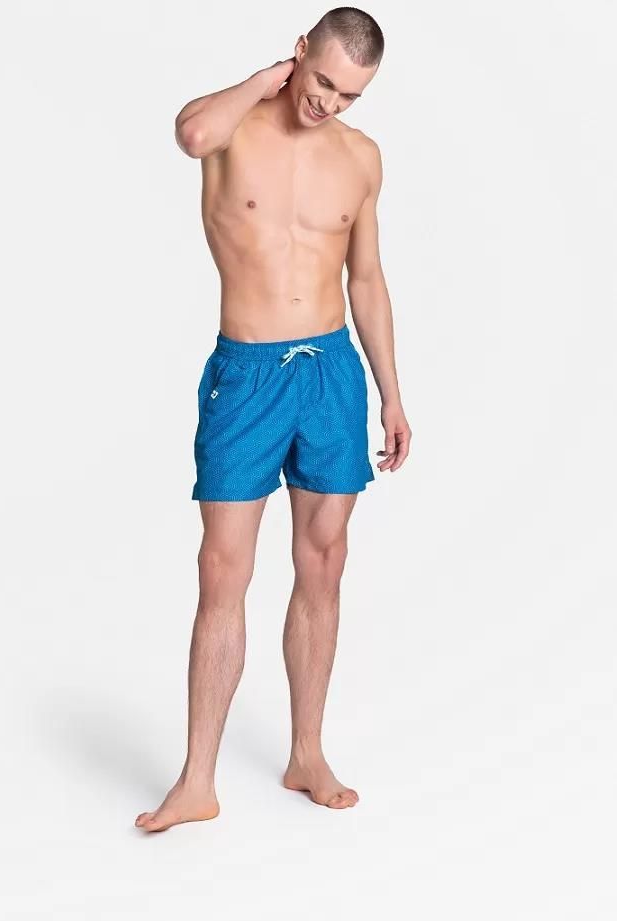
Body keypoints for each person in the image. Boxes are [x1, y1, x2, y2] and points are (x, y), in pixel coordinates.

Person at [135, 7, 411, 833]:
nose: (330, 102)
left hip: (331, 374)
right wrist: (268, 80)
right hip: (247, 375)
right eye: (322, 81)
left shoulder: (361, 159)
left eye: (350, 95)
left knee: (323, 562)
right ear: (299, 55)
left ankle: (307, 754)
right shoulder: (233, 129)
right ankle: (197, 781)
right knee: (222, 569)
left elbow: (367, 279)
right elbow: (189, 133)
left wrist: (393, 394)